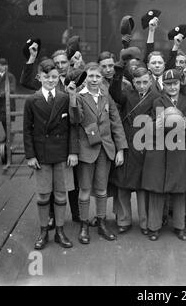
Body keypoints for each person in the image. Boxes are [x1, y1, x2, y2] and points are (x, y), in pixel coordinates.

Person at [68, 62, 128, 244]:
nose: (94, 80)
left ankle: (101, 222)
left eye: (98, 77)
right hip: (86, 151)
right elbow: (75, 119)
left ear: (103, 79)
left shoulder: (106, 96)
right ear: (85, 77)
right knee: (85, 189)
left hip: (105, 150)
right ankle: (84, 225)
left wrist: (121, 149)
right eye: (91, 76)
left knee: (102, 189)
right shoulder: (79, 96)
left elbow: (116, 122)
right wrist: (72, 98)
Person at [23, 59, 78, 250]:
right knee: (44, 195)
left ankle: (60, 231)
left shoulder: (64, 98)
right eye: (47, 77)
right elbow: (27, 130)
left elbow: (73, 126)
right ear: (39, 77)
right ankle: (44, 230)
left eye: (54, 77)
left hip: (62, 154)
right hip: (41, 155)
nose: (51, 80)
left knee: (61, 195)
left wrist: (73, 151)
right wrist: (30, 155)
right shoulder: (31, 100)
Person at [141, 69, 186, 241]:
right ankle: (154, 227)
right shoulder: (157, 101)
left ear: (180, 84)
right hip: (159, 151)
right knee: (157, 190)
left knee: (179, 190)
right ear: (163, 85)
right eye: (168, 84)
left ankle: (179, 227)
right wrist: (162, 121)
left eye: (175, 83)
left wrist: (185, 126)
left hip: (180, 151)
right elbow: (150, 127)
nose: (172, 87)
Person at [108, 66, 161, 235]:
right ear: (132, 82)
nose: (142, 85)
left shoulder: (157, 98)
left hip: (144, 146)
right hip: (126, 145)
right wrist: (117, 75)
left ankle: (145, 223)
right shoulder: (127, 95)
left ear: (151, 81)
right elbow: (115, 93)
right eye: (138, 82)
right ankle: (124, 220)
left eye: (145, 82)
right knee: (122, 185)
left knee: (142, 187)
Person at [0, 58, 16, 143]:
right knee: (2, 119)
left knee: (7, 119)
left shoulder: (10, 76)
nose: (0, 67)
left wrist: (1, 94)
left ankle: (9, 136)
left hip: (7, 101)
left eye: (2, 65)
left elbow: (12, 88)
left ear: (6, 66)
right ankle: (7, 135)